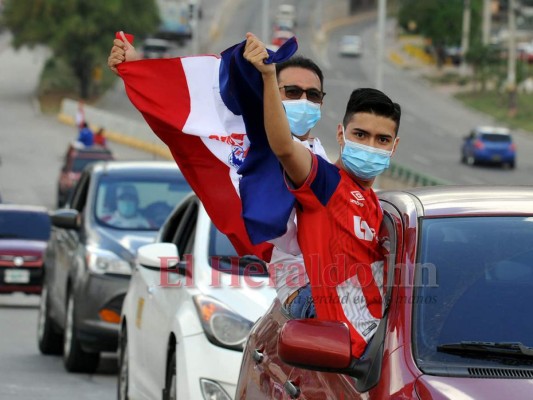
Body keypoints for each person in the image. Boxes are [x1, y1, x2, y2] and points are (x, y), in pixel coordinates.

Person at [108, 32, 329, 316]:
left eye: (313, 95)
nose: (304, 101)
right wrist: (139, 71)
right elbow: (181, 117)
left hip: (334, 283)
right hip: (309, 292)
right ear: (272, 91)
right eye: (293, 92)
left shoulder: (323, 159)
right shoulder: (250, 145)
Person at [244, 32, 401, 358]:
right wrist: (269, 77)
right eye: (361, 134)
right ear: (341, 134)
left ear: (394, 147)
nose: (370, 146)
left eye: (382, 140)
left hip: (381, 344)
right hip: (343, 348)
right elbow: (285, 148)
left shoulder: (379, 204)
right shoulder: (325, 182)